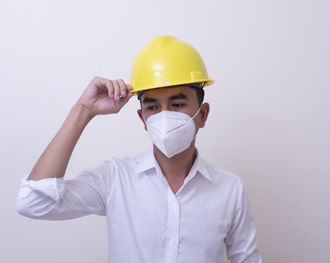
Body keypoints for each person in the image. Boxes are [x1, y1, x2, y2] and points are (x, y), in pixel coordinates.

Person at [16, 35, 262, 263]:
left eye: (177, 103)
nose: (164, 116)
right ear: (142, 119)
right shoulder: (115, 178)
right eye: (152, 107)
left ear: (203, 114)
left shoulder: (230, 189)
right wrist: (84, 111)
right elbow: (33, 202)